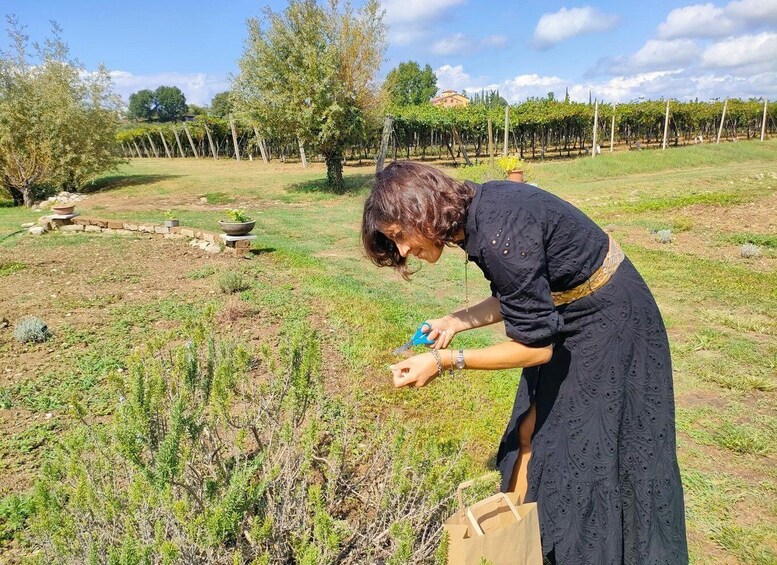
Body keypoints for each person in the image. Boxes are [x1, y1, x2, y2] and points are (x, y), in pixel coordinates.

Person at [361, 161, 688, 564]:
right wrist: (452, 322)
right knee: (531, 430)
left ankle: (589, 549)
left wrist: (445, 361)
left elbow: (535, 348)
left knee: (588, 448)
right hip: (567, 314)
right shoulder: (475, 216)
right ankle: (520, 543)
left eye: (400, 237)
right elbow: (520, 294)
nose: (403, 250)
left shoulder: (497, 228)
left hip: (613, 322)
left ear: (421, 209)